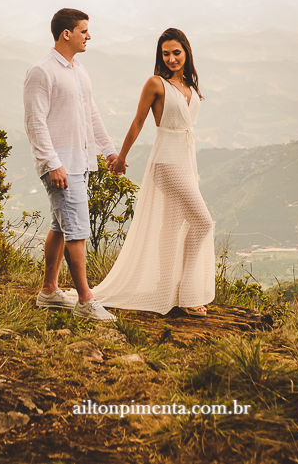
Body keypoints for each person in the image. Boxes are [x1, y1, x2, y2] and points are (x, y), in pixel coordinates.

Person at [92, 28, 215, 316]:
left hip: (186, 161)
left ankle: (166, 288)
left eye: (176, 52)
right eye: (166, 54)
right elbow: (137, 122)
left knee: (171, 227)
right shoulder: (156, 84)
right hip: (166, 162)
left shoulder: (189, 86)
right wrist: (121, 158)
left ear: (186, 52)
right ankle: (187, 291)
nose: (172, 58)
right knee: (203, 222)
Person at [24, 9, 119, 322]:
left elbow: (91, 114)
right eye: (84, 31)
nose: (88, 36)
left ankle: (49, 291)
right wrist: (53, 163)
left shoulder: (79, 71)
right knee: (76, 229)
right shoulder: (42, 71)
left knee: (60, 226)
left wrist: (108, 150)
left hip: (80, 161)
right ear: (66, 33)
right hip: (60, 165)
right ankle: (85, 299)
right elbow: (35, 121)